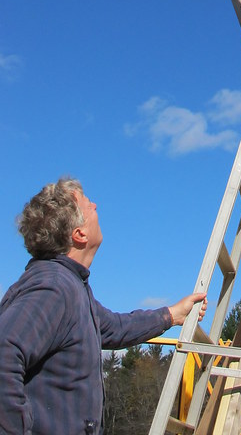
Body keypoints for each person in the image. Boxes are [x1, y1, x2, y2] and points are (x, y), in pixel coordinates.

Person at [0, 177, 207, 435]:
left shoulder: (71, 287)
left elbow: (112, 327)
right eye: (89, 206)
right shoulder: (54, 288)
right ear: (79, 234)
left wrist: (171, 315)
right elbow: (4, 352)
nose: (96, 205)